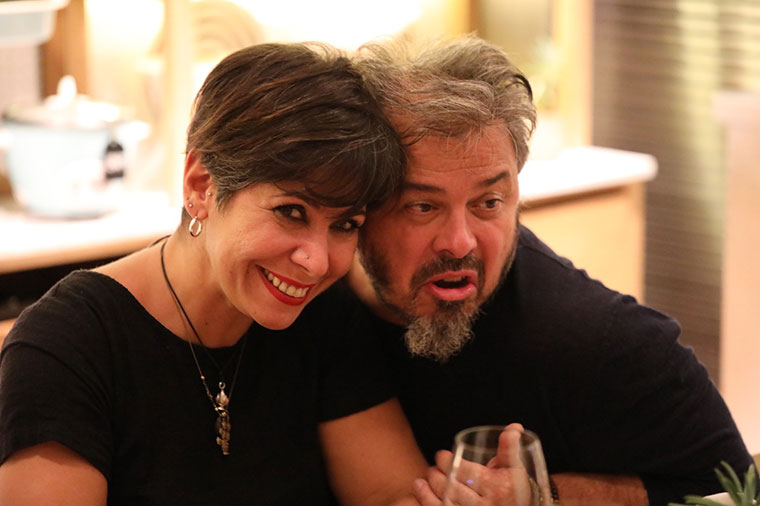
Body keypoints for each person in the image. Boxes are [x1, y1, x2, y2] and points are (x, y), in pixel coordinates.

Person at [0, 42, 427, 505]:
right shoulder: (67, 345)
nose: (318, 262)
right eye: (291, 212)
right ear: (201, 185)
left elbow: (393, 495)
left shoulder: (326, 319)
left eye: (344, 225)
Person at [340, 35, 755, 506]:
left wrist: (546, 495)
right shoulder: (312, 297)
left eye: (488, 203)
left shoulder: (601, 342)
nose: (460, 242)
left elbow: (736, 489)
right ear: (360, 205)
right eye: (423, 206)